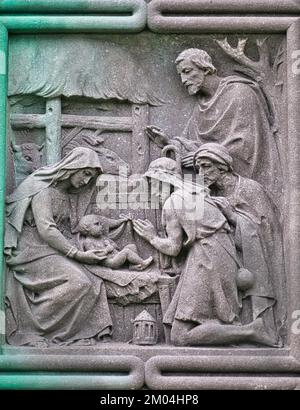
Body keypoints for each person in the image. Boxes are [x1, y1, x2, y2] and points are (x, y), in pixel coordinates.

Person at [133, 157, 276, 347]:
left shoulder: (173, 202)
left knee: (180, 336)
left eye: (152, 184)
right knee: (211, 319)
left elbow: (173, 249)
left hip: (206, 262)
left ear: (163, 180)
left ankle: (252, 331)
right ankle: (247, 331)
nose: (152, 191)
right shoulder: (200, 195)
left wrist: (151, 237)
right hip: (225, 259)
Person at [5, 147, 113, 347]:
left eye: (91, 177)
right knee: (79, 282)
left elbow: (66, 232)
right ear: (74, 166)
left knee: (94, 281)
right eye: (86, 174)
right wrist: (78, 254)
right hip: (31, 251)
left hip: (51, 250)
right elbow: (47, 230)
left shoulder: (65, 195)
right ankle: (30, 329)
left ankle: (72, 333)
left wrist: (91, 250)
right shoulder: (41, 188)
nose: (87, 181)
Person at [146, 48, 282, 204]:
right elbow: (192, 143)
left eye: (187, 71)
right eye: (180, 75)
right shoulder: (201, 107)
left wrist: (202, 156)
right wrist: (168, 143)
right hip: (211, 182)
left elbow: (246, 145)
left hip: (243, 184)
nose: (183, 80)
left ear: (205, 69)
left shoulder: (240, 93)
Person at [193, 143, 286, 344]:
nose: (201, 173)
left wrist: (232, 216)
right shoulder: (212, 195)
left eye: (206, 166)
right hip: (228, 260)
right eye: (198, 168)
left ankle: (261, 329)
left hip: (255, 265)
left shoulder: (250, 189)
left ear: (222, 166)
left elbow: (267, 230)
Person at [75, 214, 153, 270]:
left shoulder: (102, 237)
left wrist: (111, 245)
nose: (101, 226)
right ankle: (142, 263)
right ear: (87, 229)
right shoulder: (88, 242)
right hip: (110, 262)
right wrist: (106, 250)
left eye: (100, 223)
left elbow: (115, 246)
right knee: (126, 252)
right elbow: (94, 257)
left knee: (131, 246)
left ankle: (132, 265)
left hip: (116, 255)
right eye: (96, 224)